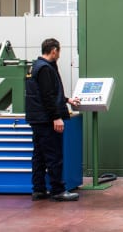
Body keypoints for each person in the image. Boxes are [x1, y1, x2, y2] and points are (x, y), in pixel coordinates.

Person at [25, 38, 81, 202]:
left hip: (37, 119)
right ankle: (58, 190)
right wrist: (56, 117)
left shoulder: (36, 66)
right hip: (46, 120)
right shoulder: (45, 69)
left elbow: (46, 92)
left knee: (39, 156)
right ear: (54, 50)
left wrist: (67, 100)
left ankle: (39, 190)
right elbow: (47, 96)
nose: (59, 55)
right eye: (59, 51)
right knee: (54, 156)